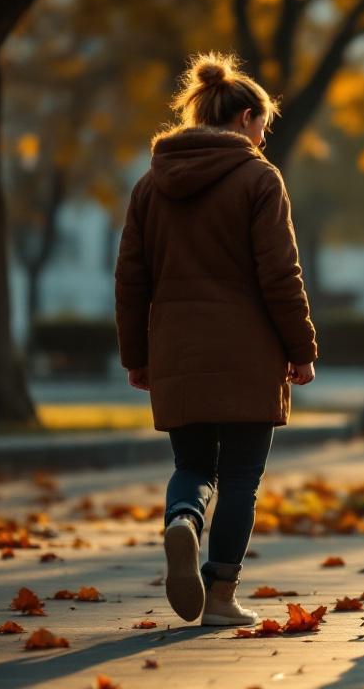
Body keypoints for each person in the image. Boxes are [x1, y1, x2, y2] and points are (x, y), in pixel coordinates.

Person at [114, 53, 317, 627]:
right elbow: (281, 274)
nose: (264, 137)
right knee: (241, 479)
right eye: (263, 126)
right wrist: (301, 349)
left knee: (194, 464)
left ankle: (182, 518)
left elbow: (131, 279)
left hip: (177, 349)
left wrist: (137, 355)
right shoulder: (259, 179)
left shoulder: (150, 185)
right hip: (249, 354)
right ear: (247, 117)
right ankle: (221, 597)